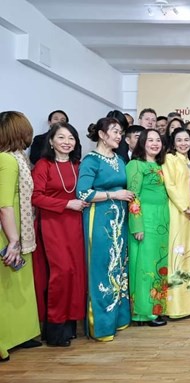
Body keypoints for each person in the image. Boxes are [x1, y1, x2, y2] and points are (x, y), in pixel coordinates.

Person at [77, 117, 134, 341]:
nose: (118, 136)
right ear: (101, 134)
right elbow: (82, 193)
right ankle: (100, 326)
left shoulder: (119, 159)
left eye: (120, 132)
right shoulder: (91, 160)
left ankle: (119, 319)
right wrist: (114, 195)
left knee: (120, 267)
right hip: (99, 219)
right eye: (115, 132)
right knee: (103, 267)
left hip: (120, 219)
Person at [31, 122, 87, 346]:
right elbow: (36, 197)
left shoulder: (78, 164)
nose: (67, 142)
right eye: (61, 138)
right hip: (53, 223)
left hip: (75, 224)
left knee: (75, 273)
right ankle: (54, 329)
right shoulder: (44, 165)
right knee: (60, 273)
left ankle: (70, 325)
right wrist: (66, 204)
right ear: (51, 142)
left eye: (71, 138)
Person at [0, 111, 41, 361]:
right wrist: (13, 241)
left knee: (19, 288)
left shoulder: (20, 158)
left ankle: (20, 335)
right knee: (6, 289)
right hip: (9, 234)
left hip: (22, 232)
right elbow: (4, 205)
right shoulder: (6, 160)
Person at [126, 129, 169, 327]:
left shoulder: (160, 164)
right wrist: (137, 225)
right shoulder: (135, 164)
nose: (154, 143)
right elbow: (133, 196)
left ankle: (157, 309)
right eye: (149, 140)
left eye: (157, 140)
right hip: (146, 221)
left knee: (158, 265)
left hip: (162, 220)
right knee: (144, 266)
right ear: (141, 143)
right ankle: (143, 313)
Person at [162, 128, 190, 319]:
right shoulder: (170, 159)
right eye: (179, 140)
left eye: (186, 140)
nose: (183, 143)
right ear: (173, 143)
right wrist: (184, 207)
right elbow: (170, 186)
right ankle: (174, 306)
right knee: (177, 252)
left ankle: (188, 303)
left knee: (189, 254)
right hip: (178, 213)